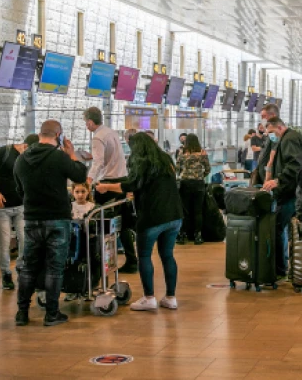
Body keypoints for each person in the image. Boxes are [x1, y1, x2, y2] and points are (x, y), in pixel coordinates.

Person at [96, 133, 184, 311]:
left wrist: (106, 187)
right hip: (174, 215)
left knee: (144, 256)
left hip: (152, 217)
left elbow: (131, 185)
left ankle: (149, 297)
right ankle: (170, 297)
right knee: (167, 255)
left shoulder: (141, 162)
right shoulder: (165, 159)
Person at [13, 120, 88, 327]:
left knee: (28, 267)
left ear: (40, 134)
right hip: (57, 219)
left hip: (31, 219)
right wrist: (71, 153)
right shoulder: (60, 157)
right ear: (58, 134)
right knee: (55, 268)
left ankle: (21, 313)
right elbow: (81, 175)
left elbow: (19, 190)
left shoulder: (21, 159)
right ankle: (52, 314)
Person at [0, 134, 39, 291]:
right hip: (2, 206)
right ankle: (6, 273)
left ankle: (21, 268)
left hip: (21, 205)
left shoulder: (29, 158)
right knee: (4, 242)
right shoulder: (4, 152)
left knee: (24, 238)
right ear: (26, 145)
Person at [82, 106, 134, 272]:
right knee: (124, 224)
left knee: (101, 223)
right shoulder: (111, 132)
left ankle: (101, 262)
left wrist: (88, 181)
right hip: (122, 180)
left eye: (86, 123)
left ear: (90, 121)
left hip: (107, 184)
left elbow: (98, 163)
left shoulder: (97, 137)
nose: (86, 126)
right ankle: (132, 260)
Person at [263, 116, 302, 278]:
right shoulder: (292, 137)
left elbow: (294, 166)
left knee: (278, 227)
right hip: (294, 191)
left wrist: (278, 181)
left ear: (279, 127)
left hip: (291, 193)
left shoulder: (289, 140)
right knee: (286, 229)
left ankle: (280, 269)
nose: (271, 136)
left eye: (271, 132)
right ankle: (289, 267)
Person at [176, 133, 211, 245]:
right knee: (198, 211)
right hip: (198, 183)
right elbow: (208, 168)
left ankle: (182, 235)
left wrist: (183, 174)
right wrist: (201, 176)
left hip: (185, 183)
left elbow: (177, 168)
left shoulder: (182, 152)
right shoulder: (202, 153)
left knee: (184, 210)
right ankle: (198, 236)